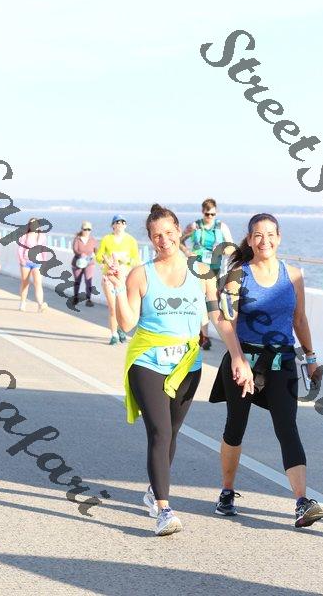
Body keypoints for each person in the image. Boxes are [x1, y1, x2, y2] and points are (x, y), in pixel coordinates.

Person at [105, 204, 253, 536]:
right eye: (157, 235)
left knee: (171, 432)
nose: (164, 240)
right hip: (147, 361)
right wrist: (116, 288)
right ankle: (164, 509)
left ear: (178, 231)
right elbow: (127, 324)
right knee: (159, 432)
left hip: (187, 363)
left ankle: (153, 490)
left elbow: (218, 317)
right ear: (150, 238)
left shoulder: (202, 272)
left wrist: (237, 356)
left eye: (169, 232)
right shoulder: (140, 274)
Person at [210, 213, 323, 528]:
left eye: (271, 234)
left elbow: (299, 319)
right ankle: (227, 492)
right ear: (249, 239)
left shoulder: (294, 275)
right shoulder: (237, 276)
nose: (265, 241)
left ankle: (302, 502)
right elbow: (226, 321)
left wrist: (311, 357)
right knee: (235, 427)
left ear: (279, 237)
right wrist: (237, 359)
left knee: (287, 427)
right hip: (244, 359)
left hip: (282, 362)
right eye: (258, 235)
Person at [180, 198, 233, 351]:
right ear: (202, 212)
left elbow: (231, 247)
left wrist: (222, 250)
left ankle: (203, 334)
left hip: (214, 268)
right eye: (207, 214)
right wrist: (187, 252)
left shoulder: (222, 227)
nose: (210, 217)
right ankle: (203, 336)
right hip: (196, 267)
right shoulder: (194, 226)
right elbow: (179, 241)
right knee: (197, 300)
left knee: (211, 302)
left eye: (212, 214)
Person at [96, 214, 140, 345]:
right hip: (109, 277)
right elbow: (98, 256)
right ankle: (114, 334)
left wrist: (125, 259)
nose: (120, 224)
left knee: (123, 306)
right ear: (113, 225)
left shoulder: (131, 240)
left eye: (123, 222)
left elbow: (136, 261)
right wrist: (107, 259)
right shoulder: (106, 239)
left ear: (126, 225)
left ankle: (121, 329)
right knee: (112, 307)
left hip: (124, 277)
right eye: (117, 222)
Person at [18, 218, 48, 312]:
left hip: (38, 263)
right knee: (25, 283)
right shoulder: (25, 236)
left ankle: (40, 305)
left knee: (38, 283)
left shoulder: (42, 236)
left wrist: (44, 261)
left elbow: (44, 250)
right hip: (26, 262)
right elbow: (20, 249)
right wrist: (22, 260)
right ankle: (22, 303)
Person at [71, 221, 98, 307]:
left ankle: (88, 299)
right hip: (78, 263)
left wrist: (101, 259)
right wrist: (81, 254)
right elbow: (75, 250)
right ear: (82, 229)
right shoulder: (77, 239)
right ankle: (75, 298)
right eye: (85, 229)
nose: (87, 231)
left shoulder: (93, 240)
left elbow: (96, 251)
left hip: (89, 263)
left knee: (88, 281)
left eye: (89, 229)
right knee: (77, 281)